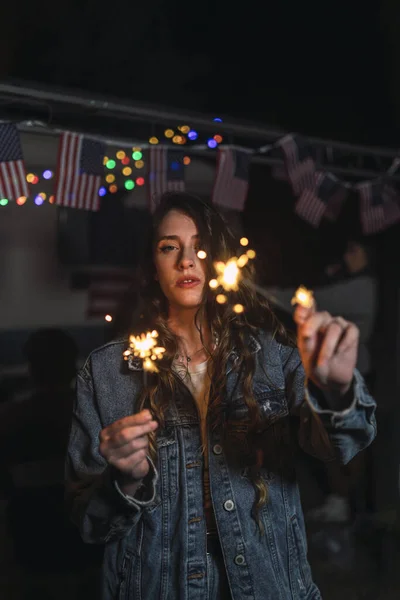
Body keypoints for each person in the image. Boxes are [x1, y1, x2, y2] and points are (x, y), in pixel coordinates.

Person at [66, 192, 377, 600]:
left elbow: (342, 448)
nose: (186, 261)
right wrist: (124, 480)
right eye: (169, 247)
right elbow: (88, 524)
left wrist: (335, 391)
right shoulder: (108, 372)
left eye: (201, 247)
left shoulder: (274, 356)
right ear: (152, 267)